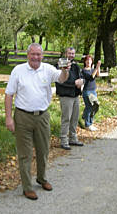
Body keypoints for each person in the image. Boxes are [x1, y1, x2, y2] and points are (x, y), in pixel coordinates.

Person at [5, 43, 70, 200]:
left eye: (38, 54)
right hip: (22, 117)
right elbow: (9, 95)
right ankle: (27, 187)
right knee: (25, 154)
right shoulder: (18, 71)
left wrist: (65, 70)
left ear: (42, 56)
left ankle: (42, 178)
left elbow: (61, 79)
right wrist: (8, 118)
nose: (35, 57)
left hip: (42, 116)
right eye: (33, 54)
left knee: (43, 151)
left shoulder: (47, 69)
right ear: (28, 55)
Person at [55, 47, 84, 150]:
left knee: (75, 118)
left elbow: (81, 77)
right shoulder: (60, 65)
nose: (71, 55)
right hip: (66, 95)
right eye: (69, 53)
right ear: (65, 53)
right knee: (66, 118)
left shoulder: (75, 66)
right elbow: (60, 80)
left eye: (73, 53)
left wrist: (81, 81)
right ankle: (64, 140)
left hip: (75, 95)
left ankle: (73, 138)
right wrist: (74, 83)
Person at [81, 55, 101, 131]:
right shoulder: (83, 71)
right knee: (89, 107)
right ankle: (88, 124)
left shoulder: (93, 69)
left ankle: (85, 116)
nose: (88, 62)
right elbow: (91, 77)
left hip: (93, 91)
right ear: (85, 62)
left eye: (90, 60)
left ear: (92, 61)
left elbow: (98, 75)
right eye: (87, 60)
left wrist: (98, 67)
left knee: (95, 106)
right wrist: (96, 68)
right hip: (87, 92)